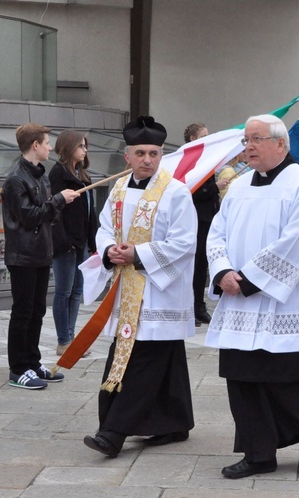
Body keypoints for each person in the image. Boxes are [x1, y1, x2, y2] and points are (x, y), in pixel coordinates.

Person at [205, 114, 299, 479]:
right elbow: (217, 233)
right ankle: (259, 454)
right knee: (241, 377)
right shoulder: (240, 185)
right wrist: (222, 271)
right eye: (246, 140)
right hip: (238, 296)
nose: (248, 146)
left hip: (283, 298)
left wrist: (247, 279)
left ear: (280, 143)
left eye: (256, 139)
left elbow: (297, 241)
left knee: (283, 376)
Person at [83, 116, 197, 458]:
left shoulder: (175, 192)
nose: (148, 159)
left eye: (155, 153)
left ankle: (113, 432)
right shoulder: (118, 189)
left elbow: (185, 242)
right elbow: (104, 228)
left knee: (143, 360)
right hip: (126, 289)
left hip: (159, 290)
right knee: (160, 357)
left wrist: (139, 254)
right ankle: (173, 422)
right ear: (127, 156)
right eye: (141, 153)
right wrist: (109, 250)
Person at [3, 123, 78, 390]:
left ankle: (32, 363)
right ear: (35, 145)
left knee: (37, 311)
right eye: (46, 142)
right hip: (22, 256)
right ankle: (18, 369)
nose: (49, 147)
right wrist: (57, 200)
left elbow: (47, 216)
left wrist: (58, 205)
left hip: (40, 254)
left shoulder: (40, 176)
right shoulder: (16, 179)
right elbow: (28, 217)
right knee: (22, 312)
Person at [49, 130, 98, 356]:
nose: (85, 150)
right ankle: (63, 340)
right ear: (69, 147)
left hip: (82, 243)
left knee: (77, 290)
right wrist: (65, 241)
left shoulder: (82, 174)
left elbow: (90, 212)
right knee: (64, 291)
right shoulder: (58, 173)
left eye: (86, 146)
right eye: (81, 146)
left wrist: (93, 241)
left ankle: (70, 337)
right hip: (67, 243)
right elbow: (54, 212)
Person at [185, 123, 230, 326]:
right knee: (195, 265)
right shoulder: (191, 161)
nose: (208, 138)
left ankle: (198, 305)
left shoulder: (205, 159)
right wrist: (215, 187)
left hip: (209, 218)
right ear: (193, 138)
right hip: (197, 219)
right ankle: (191, 307)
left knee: (203, 265)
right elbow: (192, 190)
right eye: (204, 135)